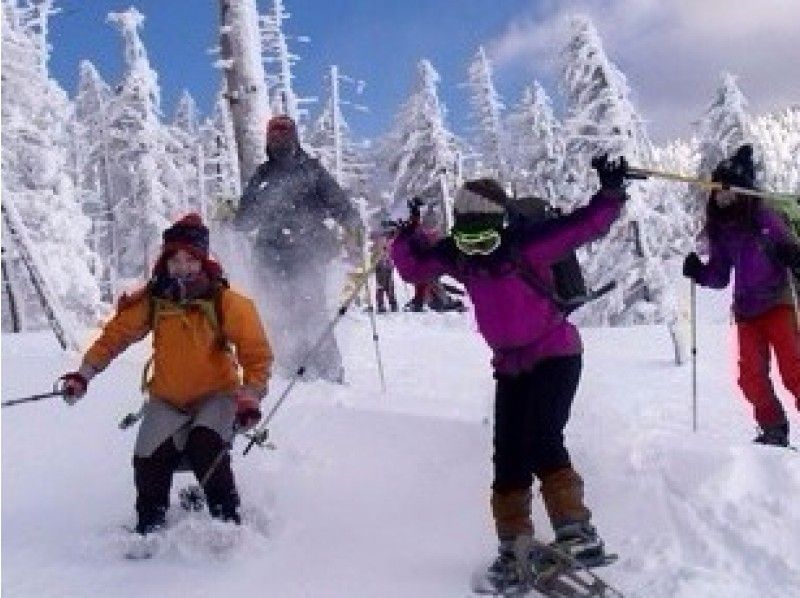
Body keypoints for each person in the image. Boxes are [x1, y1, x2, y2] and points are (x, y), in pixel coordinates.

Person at [390, 157, 628, 592]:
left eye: (486, 240)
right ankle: (513, 542)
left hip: (555, 352)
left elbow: (586, 226)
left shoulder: (527, 245)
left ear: (502, 227)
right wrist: (407, 235)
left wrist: (610, 192)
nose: (477, 251)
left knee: (541, 436)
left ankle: (577, 530)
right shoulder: (459, 256)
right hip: (510, 365)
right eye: (468, 241)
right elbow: (413, 269)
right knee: (508, 454)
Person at [59, 213, 273, 534]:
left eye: (191, 260)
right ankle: (149, 527)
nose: (182, 267)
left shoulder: (226, 302)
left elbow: (256, 355)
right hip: (168, 399)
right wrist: (83, 375)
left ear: (203, 261)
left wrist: (250, 396)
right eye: (175, 260)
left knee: (206, 447)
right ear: (165, 262)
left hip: (217, 396)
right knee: (148, 457)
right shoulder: (154, 301)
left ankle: (229, 524)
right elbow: (115, 337)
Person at [683, 144, 800, 447]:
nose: (723, 199)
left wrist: (791, 254)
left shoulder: (764, 217)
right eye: (718, 193)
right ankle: (773, 429)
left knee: (794, 370)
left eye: (729, 193)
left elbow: (790, 247)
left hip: (778, 304)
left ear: (743, 192)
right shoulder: (721, 229)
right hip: (746, 312)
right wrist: (699, 272)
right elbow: (720, 275)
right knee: (750, 378)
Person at [234, 115, 361, 383]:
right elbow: (245, 221)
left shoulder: (311, 170)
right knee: (279, 313)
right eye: (274, 134)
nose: (278, 139)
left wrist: (354, 228)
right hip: (270, 257)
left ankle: (329, 372)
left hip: (307, 253)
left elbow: (339, 203)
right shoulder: (262, 176)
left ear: (294, 137)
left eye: (284, 133)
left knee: (311, 309)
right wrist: (238, 215)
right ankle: (294, 371)